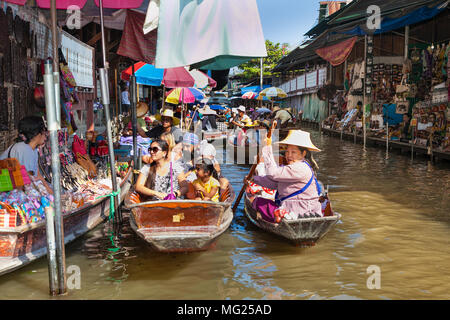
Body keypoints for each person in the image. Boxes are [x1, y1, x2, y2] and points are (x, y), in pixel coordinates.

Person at [246, 129, 323, 223]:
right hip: (298, 208)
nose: (288, 155)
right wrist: (253, 179)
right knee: (261, 201)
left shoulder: (300, 167)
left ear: (303, 154)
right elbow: (274, 183)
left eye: (293, 152)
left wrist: (267, 148)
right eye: (287, 151)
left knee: (258, 202)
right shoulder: (295, 167)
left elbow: (272, 173)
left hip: (300, 211)